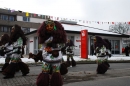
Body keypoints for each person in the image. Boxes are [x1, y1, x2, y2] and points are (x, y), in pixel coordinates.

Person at [36, 19, 67, 86]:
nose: (49, 27)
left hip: (55, 57)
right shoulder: (43, 37)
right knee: (44, 71)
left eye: (51, 26)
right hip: (46, 56)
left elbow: (62, 45)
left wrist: (54, 46)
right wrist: (45, 48)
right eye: (47, 26)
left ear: (54, 26)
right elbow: (42, 46)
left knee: (56, 72)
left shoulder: (59, 36)